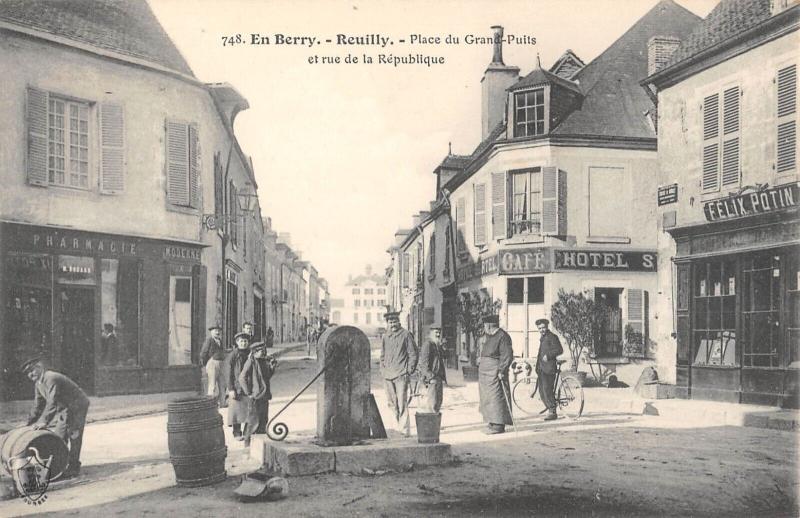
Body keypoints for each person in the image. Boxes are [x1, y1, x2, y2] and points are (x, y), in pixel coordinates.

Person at [21, 357, 90, 479]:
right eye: (27, 373)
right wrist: (27, 423)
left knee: (74, 435)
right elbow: (38, 405)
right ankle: (59, 466)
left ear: (39, 367)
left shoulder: (51, 377)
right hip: (65, 409)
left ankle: (74, 467)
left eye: (32, 370)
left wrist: (43, 422)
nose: (30, 374)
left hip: (77, 407)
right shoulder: (38, 383)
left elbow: (52, 402)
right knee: (59, 436)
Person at [380, 312, 418, 436]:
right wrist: (382, 369)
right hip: (388, 375)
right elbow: (382, 356)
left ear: (398, 322)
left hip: (401, 374)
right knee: (392, 403)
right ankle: (395, 428)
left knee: (402, 403)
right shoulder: (385, 337)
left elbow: (413, 354)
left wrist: (409, 370)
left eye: (394, 321)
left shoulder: (406, 335)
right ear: (387, 324)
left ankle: (404, 430)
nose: (393, 324)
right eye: (390, 322)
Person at [478, 314, 514, 435]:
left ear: (488, 326)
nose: (484, 328)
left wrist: (502, 371)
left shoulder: (503, 336)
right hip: (485, 374)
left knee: (496, 397)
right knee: (487, 397)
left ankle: (498, 425)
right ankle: (492, 421)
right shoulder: (490, 336)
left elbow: (507, 355)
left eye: (485, 325)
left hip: (495, 372)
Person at [238, 341, 278, 447]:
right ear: (255, 352)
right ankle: (247, 443)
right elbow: (242, 378)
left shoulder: (263, 361)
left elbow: (266, 377)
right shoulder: (250, 361)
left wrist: (272, 367)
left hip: (264, 395)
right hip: (255, 396)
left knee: (263, 418)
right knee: (252, 420)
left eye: (264, 350)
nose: (263, 352)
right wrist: (248, 392)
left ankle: (260, 442)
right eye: (261, 350)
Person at [536, 318, 564, 421]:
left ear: (547, 327)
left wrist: (548, 355)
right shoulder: (543, 338)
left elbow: (559, 349)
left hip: (549, 367)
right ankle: (550, 407)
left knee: (547, 390)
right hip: (542, 368)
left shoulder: (552, 337)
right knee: (542, 391)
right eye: (540, 328)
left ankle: (552, 411)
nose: (542, 330)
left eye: (543, 327)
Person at [225, 332, 251, 440]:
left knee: (248, 410)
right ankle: (236, 432)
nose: (243, 343)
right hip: (236, 386)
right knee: (236, 411)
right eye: (241, 341)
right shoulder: (233, 355)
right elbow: (228, 373)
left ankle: (247, 431)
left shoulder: (250, 354)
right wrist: (231, 389)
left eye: (245, 341)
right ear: (237, 342)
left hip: (248, 386)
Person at [418, 326, 447, 413]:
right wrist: (430, 377)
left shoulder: (437, 344)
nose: (438, 334)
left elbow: (442, 360)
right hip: (432, 378)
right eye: (436, 332)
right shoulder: (428, 344)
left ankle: (435, 424)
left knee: (438, 402)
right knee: (432, 404)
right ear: (431, 333)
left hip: (438, 377)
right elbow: (424, 364)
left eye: (439, 333)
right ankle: (431, 424)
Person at [199, 324, 226, 407]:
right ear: (211, 332)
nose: (217, 332)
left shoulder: (220, 341)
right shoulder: (209, 340)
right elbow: (203, 353)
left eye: (218, 330)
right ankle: (211, 404)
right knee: (212, 384)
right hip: (212, 363)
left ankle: (222, 403)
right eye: (215, 330)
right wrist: (206, 364)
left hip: (221, 363)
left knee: (222, 384)